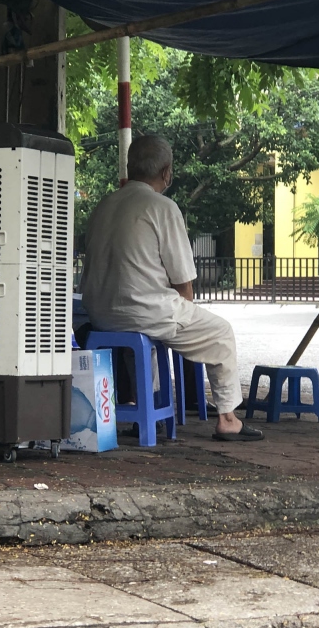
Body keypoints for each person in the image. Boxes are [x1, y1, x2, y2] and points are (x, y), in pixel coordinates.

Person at [80, 135, 262, 442]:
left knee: (142, 334)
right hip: (142, 313)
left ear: (130, 166)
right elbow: (184, 285)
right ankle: (228, 419)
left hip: (99, 313)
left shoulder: (104, 204)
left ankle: (145, 409)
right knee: (220, 332)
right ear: (167, 172)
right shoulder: (162, 207)